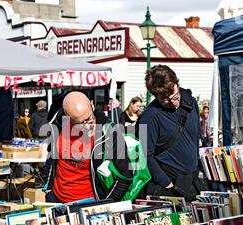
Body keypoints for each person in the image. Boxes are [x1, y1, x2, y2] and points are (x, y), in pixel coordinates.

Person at [41, 91, 133, 203]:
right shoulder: (59, 122)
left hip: (88, 204)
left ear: (92, 105)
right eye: (80, 123)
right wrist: (49, 189)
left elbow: (126, 176)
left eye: (89, 119)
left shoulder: (110, 132)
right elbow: (52, 158)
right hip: (56, 198)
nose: (87, 125)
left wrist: (104, 204)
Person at [137, 64, 203, 202]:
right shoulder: (148, 117)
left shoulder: (191, 102)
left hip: (192, 180)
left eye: (174, 95)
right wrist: (167, 184)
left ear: (177, 83)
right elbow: (143, 156)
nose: (172, 102)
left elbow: (196, 136)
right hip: (168, 186)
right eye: (164, 100)